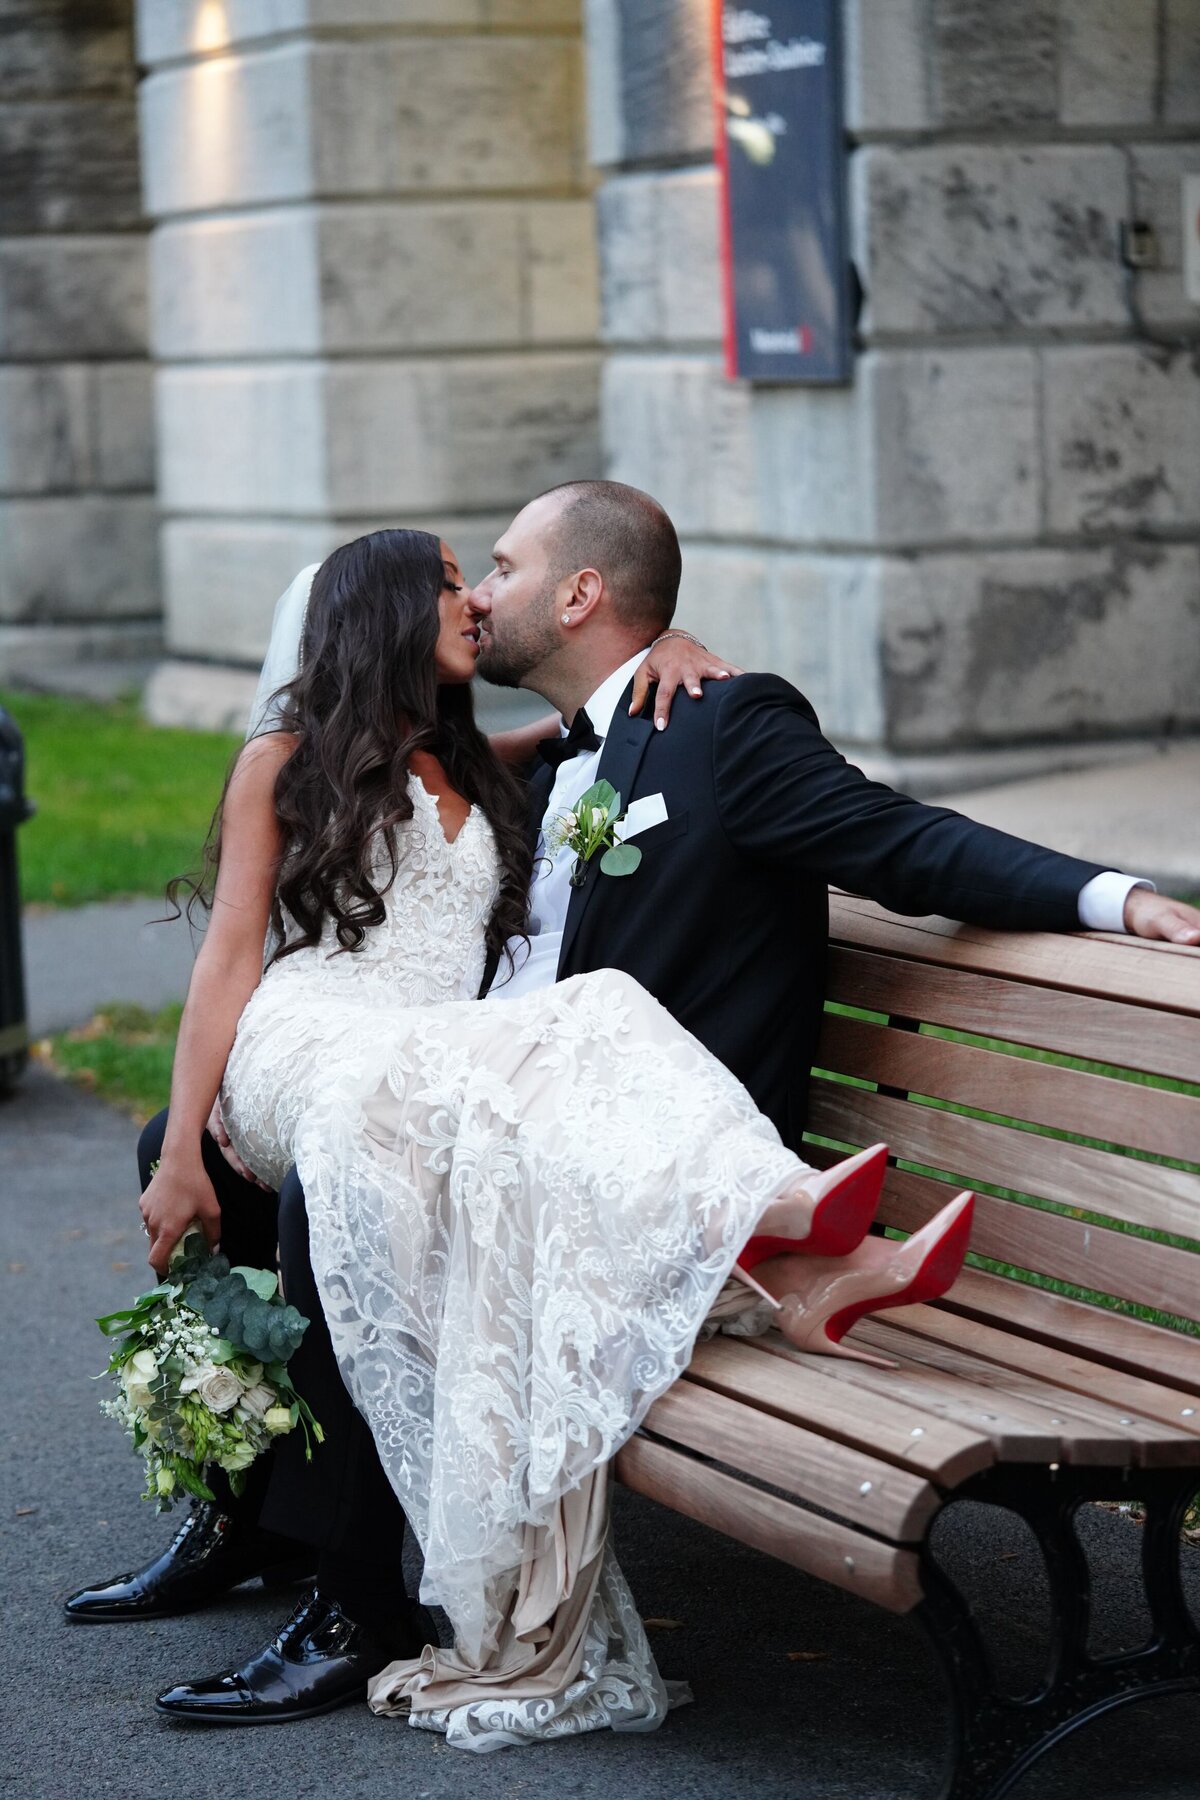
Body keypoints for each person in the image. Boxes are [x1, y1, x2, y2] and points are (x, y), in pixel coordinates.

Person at [69, 484, 1200, 1746]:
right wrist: (192, 1126)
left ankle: (355, 1605)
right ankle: (250, 1525)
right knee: (253, 1169)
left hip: (579, 1125)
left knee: (338, 1180)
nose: (478, 594)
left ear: (579, 597)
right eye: (461, 577)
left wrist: (1112, 898)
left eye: (496, 567)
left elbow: (896, 838)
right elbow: (262, 930)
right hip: (445, 1081)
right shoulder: (544, 751)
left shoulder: (707, 729)